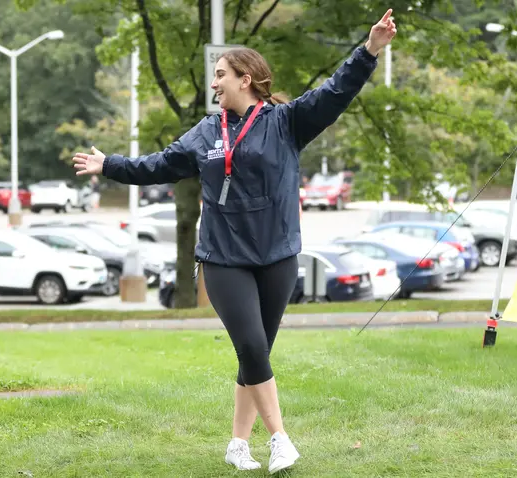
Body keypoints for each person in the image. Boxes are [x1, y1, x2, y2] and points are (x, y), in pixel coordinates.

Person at [72, 9, 397, 474]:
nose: (214, 83)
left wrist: (369, 51)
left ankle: (237, 445)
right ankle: (280, 439)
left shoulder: (287, 122)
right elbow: (159, 164)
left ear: (246, 79)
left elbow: (335, 91)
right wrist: (111, 165)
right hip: (224, 259)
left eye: (221, 75)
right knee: (251, 346)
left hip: (277, 256)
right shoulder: (207, 131)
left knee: (255, 353)